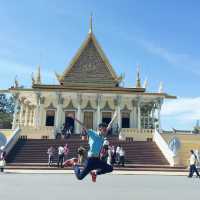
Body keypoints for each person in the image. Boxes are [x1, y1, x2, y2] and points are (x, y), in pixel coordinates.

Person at [64, 111, 117, 182]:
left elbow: (109, 125)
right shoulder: (93, 133)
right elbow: (83, 125)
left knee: (110, 168)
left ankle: (95, 173)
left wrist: (114, 117)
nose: (105, 132)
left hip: (97, 160)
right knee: (80, 177)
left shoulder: (103, 135)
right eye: (104, 130)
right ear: (99, 129)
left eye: (105, 130)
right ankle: (74, 163)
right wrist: (74, 118)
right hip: (90, 161)